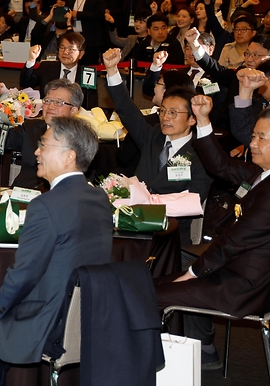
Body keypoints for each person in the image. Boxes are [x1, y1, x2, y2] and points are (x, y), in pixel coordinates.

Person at [0, 117, 113, 386]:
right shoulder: (99, 198)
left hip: (49, 322)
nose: (36, 152)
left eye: (43, 145)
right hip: (89, 317)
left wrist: (0, 307)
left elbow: (24, 273)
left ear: (69, 156)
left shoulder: (46, 205)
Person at [156, 96, 270, 370]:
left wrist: (194, 272)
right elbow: (219, 165)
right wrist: (203, 119)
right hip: (229, 269)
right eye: (253, 136)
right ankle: (192, 352)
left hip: (242, 286)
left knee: (152, 295)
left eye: (261, 138)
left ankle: (164, 364)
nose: (252, 144)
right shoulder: (260, 174)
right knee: (154, 283)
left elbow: (235, 241)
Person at [103, 47, 210, 243]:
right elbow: (128, 111)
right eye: (163, 111)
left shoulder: (202, 155)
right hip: (131, 224)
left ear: (192, 119)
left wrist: (149, 203)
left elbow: (193, 199)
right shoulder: (153, 137)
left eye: (173, 113)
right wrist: (111, 70)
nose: (165, 118)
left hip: (169, 232)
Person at [0, 79, 86, 188]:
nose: (50, 106)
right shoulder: (31, 128)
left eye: (58, 102)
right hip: (23, 193)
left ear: (73, 110)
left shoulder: (82, 139)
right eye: (47, 100)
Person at [21, 32, 97, 108]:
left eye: (71, 49)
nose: (65, 52)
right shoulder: (47, 67)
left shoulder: (87, 73)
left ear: (81, 54)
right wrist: (31, 59)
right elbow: (25, 83)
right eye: (62, 48)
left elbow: (91, 104)